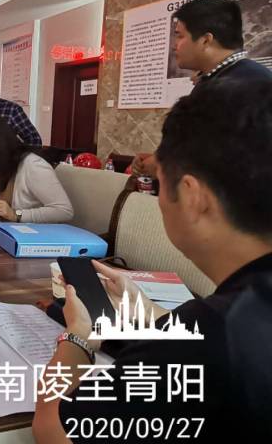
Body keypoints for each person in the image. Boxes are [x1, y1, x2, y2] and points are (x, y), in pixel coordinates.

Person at [32, 79, 272, 442]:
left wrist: (78, 337)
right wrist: (148, 313)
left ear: (191, 196)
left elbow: (53, 430)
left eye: (160, 183)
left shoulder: (209, 341)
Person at [132, 0, 272, 179]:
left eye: (180, 36)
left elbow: (230, 164)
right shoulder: (220, 78)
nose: (174, 45)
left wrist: (164, 166)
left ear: (206, 40)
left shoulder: (243, 86)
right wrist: (160, 158)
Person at [0, 116, 73, 223]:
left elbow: (64, 211)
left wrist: (16, 215)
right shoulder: (5, 163)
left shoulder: (33, 165)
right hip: (10, 228)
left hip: (35, 233)